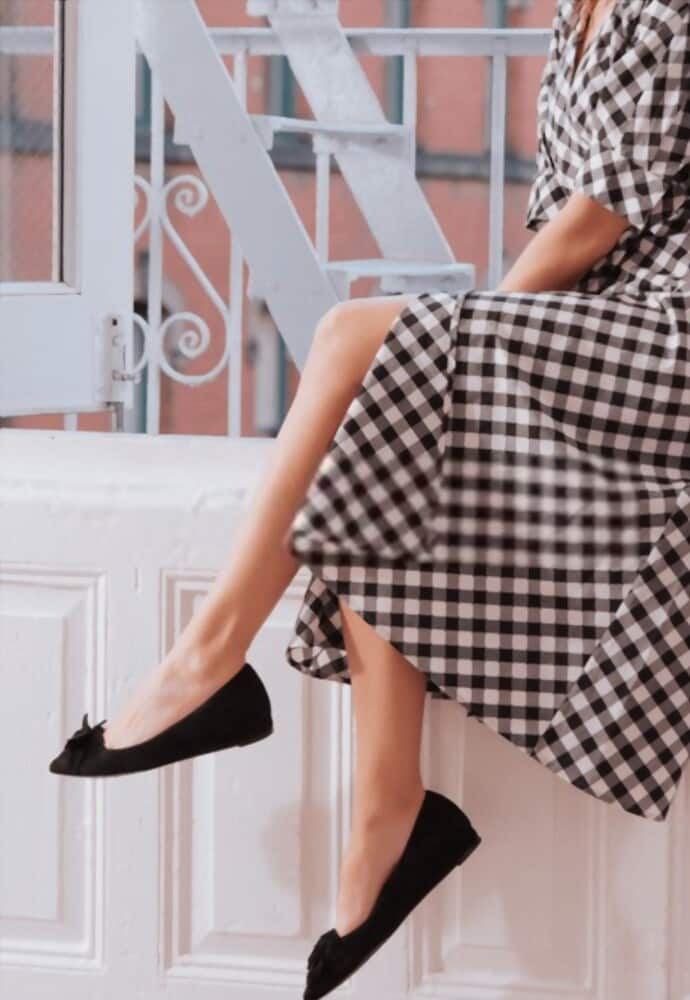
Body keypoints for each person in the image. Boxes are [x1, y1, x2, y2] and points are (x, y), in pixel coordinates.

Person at [50, 0, 690, 996]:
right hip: (607, 325)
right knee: (382, 404)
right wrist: (450, 354)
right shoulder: (578, 14)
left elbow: (598, 216)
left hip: (668, 339)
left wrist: (458, 343)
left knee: (366, 343)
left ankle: (213, 662)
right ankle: (387, 804)